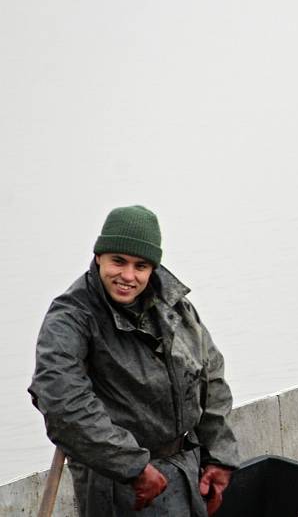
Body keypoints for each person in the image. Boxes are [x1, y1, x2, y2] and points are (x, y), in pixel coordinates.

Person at [29, 205, 240, 516]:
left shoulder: (176, 307)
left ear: (153, 268)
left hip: (186, 469)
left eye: (140, 266)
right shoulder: (70, 318)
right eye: (118, 261)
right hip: (116, 483)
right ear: (98, 256)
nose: (128, 276)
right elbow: (62, 402)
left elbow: (210, 377)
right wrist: (133, 466)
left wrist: (219, 455)